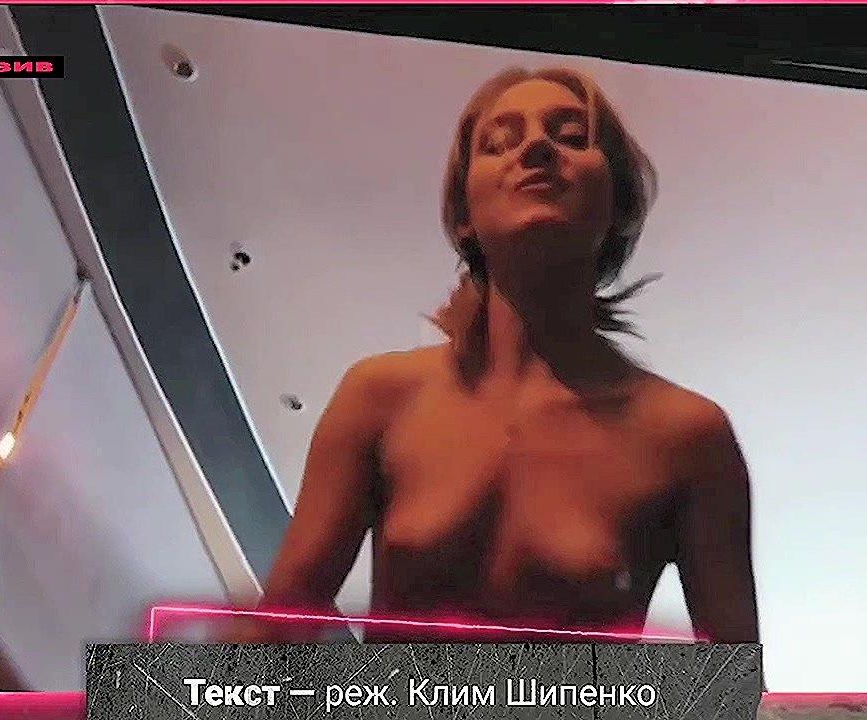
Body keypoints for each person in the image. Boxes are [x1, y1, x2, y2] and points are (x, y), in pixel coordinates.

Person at [237, 66, 759, 645]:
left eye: (571, 135)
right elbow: (276, 627)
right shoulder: (379, 398)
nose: (536, 147)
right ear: (464, 214)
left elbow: (731, 678)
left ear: (618, 203)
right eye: (499, 142)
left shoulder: (688, 437)